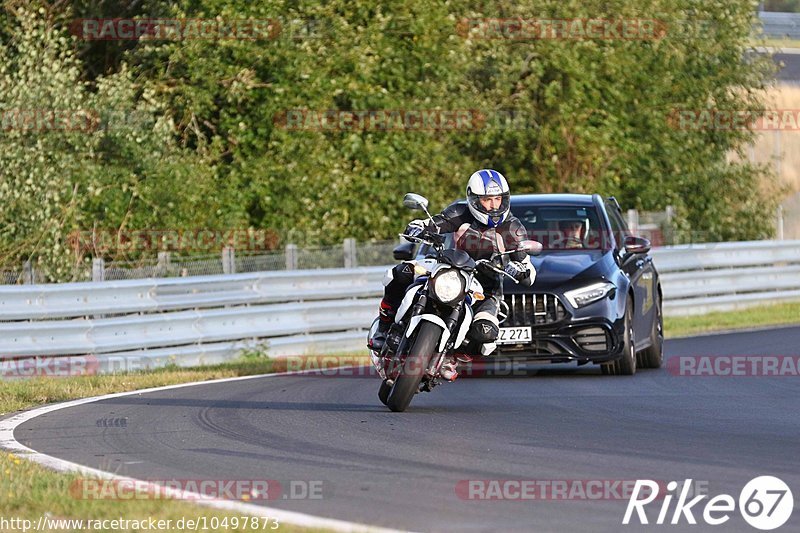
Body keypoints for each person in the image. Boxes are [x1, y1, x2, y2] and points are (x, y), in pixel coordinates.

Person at [369, 169, 536, 380]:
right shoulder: (459, 212)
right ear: (473, 199)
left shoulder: (513, 228)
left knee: (486, 334)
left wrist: (520, 270)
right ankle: (384, 325)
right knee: (400, 272)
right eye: (487, 200)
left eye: (498, 199)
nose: (494, 206)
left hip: (486, 288)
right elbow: (435, 223)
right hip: (447, 267)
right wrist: (419, 226)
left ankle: (452, 357)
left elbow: (528, 269)